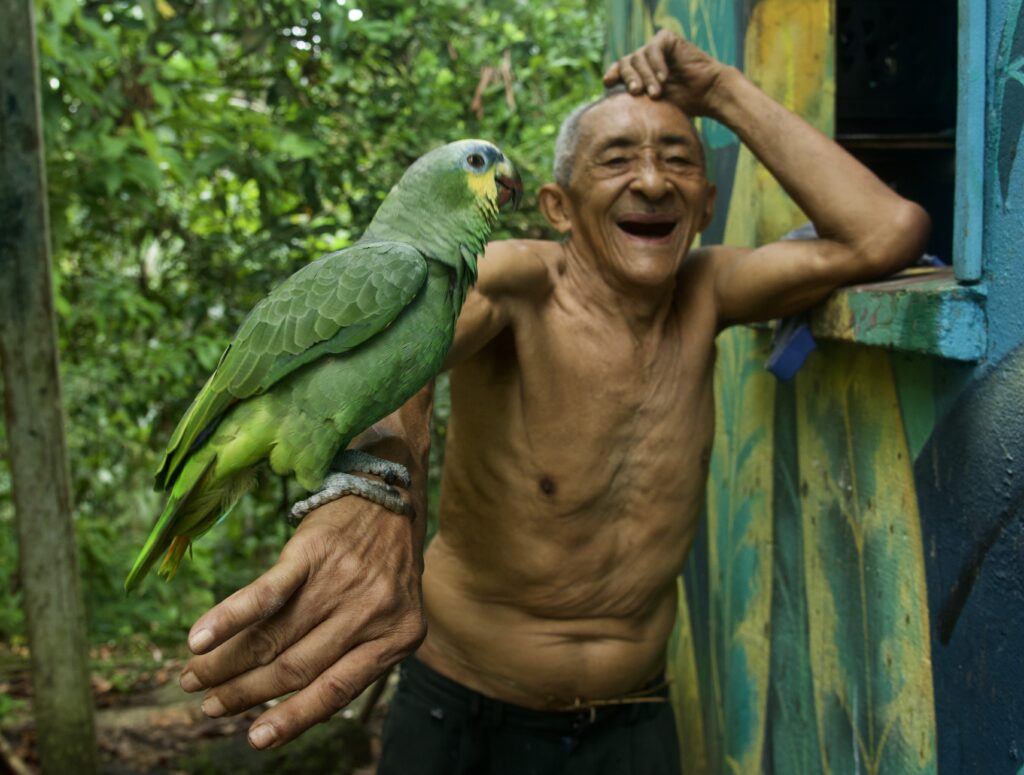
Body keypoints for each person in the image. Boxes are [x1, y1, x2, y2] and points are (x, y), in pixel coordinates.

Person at [175, 30, 930, 773]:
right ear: (558, 206)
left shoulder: (707, 292)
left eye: (677, 160)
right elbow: (398, 356)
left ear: (702, 207)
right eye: (617, 159)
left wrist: (721, 92)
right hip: (463, 714)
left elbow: (886, 232)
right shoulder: (517, 284)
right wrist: (380, 503)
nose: (653, 181)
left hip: (635, 721)